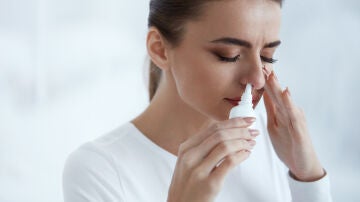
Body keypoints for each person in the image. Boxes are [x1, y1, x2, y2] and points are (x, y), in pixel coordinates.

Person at [62, 0, 333, 201]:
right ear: (160, 49)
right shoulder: (99, 171)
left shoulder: (271, 139)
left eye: (267, 56)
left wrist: (307, 176)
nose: (256, 79)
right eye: (229, 55)